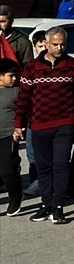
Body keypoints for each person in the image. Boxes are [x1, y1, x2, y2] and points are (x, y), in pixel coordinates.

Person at [13, 27, 74, 224]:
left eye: (62, 44)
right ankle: (46, 204)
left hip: (65, 123)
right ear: (46, 43)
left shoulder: (73, 66)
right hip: (39, 124)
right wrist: (18, 125)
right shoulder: (31, 68)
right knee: (43, 167)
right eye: (55, 44)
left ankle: (58, 206)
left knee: (61, 164)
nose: (59, 47)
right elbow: (23, 99)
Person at [0, 58, 22, 215]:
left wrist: (19, 128)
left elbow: (23, 112)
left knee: (7, 170)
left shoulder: (16, 92)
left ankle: (15, 196)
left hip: (9, 135)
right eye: (10, 75)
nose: (14, 78)